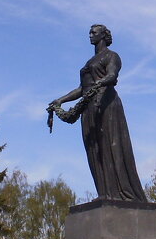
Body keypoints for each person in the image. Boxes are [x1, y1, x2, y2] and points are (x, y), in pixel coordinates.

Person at [48, 24, 146, 201]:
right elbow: (81, 89)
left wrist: (101, 84)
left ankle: (118, 193)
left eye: (94, 32)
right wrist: (60, 100)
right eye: (89, 33)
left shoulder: (111, 56)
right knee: (94, 150)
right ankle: (104, 193)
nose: (90, 35)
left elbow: (112, 75)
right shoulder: (89, 63)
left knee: (110, 146)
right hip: (88, 108)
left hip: (105, 105)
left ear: (103, 36)